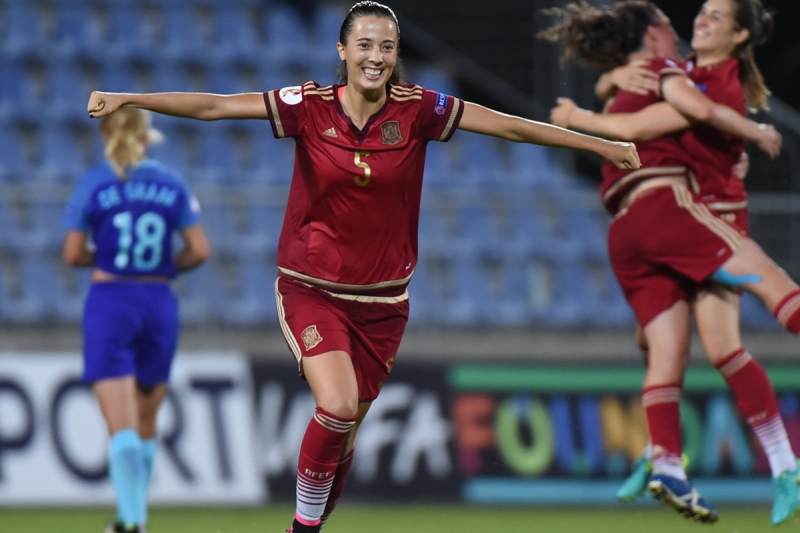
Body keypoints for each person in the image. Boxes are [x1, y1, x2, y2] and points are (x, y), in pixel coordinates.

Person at [85, 2, 639, 532]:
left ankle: (309, 524)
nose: (376, 56)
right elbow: (217, 107)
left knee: (343, 439)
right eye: (366, 45)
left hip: (383, 304)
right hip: (312, 288)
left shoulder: (419, 109)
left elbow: (509, 127)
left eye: (388, 47)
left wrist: (596, 145)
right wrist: (131, 98)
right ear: (343, 50)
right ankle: (303, 530)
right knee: (338, 406)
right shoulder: (308, 105)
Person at [539, 0, 800, 524]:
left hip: (663, 221)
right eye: (699, 12)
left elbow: (665, 116)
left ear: (739, 36)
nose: (698, 20)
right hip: (683, 217)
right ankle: (750, 464)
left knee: (696, 348)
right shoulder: (678, 72)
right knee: (759, 300)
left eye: (715, 16)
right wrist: (607, 85)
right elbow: (662, 114)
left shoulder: (703, 78)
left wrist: (583, 109)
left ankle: (671, 458)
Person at [62, 107, 210, 533]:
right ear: (147, 138)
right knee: (146, 421)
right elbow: (199, 249)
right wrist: (162, 266)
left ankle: (133, 524)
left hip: (111, 302)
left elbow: (72, 253)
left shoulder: (95, 182)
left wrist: (106, 259)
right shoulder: (172, 183)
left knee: (121, 425)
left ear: (104, 136)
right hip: (159, 303)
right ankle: (132, 518)